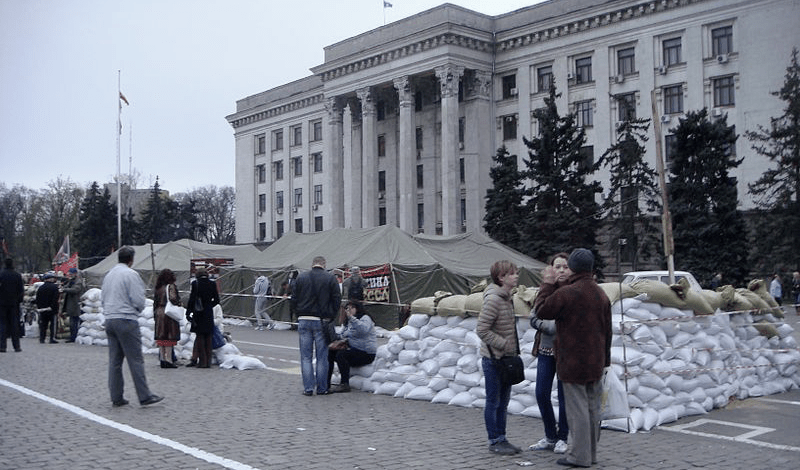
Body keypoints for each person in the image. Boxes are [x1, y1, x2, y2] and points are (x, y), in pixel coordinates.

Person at [535, 248, 611, 468]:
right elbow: (608, 331)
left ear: (574, 268)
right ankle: (591, 455)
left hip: (572, 362)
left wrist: (547, 284)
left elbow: (541, 310)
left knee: (577, 411)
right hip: (595, 361)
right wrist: (605, 360)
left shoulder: (567, 293)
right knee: (592, 410)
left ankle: (578, 456)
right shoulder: (601, 293)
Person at [101, 246, 162, 407]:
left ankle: (116, 396)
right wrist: (138, 309)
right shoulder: (131, 274)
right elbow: (138, 300)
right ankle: (144, 395)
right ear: (131, 260)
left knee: (114, 361)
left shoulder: (108, 275)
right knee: (135, 360)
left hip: (110, 319)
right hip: (126, 319)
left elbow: (102, 298)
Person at [476, 260, 522, 456]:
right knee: (493, 401)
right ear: (501, 277)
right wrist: (503, 344)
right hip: (494, 360)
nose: (516, 276)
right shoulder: (494, 299)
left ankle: (502, 438)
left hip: (505, 359)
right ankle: (494, 439)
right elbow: (482, 329)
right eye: (512, 273)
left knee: (503, 402)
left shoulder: (506, 298)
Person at [529, 252, 570, 454]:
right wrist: (553, 326)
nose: (561, 270)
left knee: (564, 396)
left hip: (566, 353)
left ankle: (563, 437)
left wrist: (551, 325)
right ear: (551, 269)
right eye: (557, 266)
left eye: (565, 266)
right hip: (546, 350)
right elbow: (534, 317)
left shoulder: (573, 291)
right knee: (541, 393)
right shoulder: (546, 291)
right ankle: (550, 435)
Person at [290, 256, 341, 396]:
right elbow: (337, 299)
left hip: (303, 319)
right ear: (324, 264)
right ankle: (322, 388)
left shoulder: (301, 277)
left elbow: (293, 298)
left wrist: (298, 313)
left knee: (305, 356)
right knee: (321, 357)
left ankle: (308, 388)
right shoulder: (330, 278)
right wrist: (331, 316)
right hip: (321, 320)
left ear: (312, 264)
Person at [328, 300, 377, 393]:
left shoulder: (365, 318)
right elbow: (345, 334)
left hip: (366, 352)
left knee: (341, 355)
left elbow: (363, 330)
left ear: (357, 309)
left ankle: (344, 383)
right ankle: (326, 382)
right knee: (331, 352)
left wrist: (351, 318)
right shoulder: (349, 321)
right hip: (354, 349)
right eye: (348, 308)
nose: (349, 310)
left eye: (352, 308)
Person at [186, 267, 220, 368]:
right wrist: (209, 305)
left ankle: (202, 362)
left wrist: (189, 312)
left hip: (198, 312)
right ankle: (208, 362)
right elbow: (217, 300)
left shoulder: (195, 284)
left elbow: (192, 299)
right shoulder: (212, 284)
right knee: (208, 337)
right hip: (208, 312)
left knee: (200, 336)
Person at [153, 269, 181, 368]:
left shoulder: (158, 288)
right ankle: (169, 360)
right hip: (168, 313)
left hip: (159, 312)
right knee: (169, 336)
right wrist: (179, 302)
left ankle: (162, 359)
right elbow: (173, 299)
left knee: (161, 336)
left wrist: (155, 314)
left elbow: (155, 302)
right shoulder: (171, 287)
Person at [0, 258, 24, 352]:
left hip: (2, 303)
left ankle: (2, 346)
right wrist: (19, 300)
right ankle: (16, 346)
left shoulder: (1, 275)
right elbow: (21, 290)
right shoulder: (17, 275)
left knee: (2, 324)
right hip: (14, 303)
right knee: (14, 325)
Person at [61, 267, 85, 343]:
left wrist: (64, 290)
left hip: (76, 305)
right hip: (72, 305)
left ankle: (74, 337)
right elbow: (67, 286)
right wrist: (62, 287)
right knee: (72, 321)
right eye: (69, 273)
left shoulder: (78, 281)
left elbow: (75, 290)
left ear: (75, 274)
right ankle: (72, 336)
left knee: (74, 322)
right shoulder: (71, 281)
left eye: (71, 274)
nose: (70, 275)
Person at [35, 272, 60, 344]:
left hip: (42, 309)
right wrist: (53, 307)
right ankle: (52, 338)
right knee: (53, 325)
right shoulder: (55, 287)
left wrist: (40, 307)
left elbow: (38, 298)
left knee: (43, 324)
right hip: (52, 309)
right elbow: (55, 298)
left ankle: (42, 338)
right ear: (51, 279)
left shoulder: (41, 287)